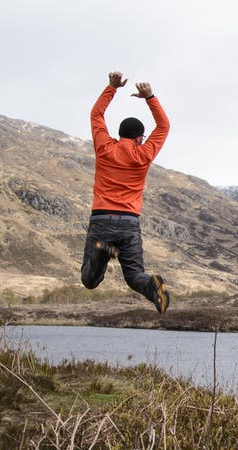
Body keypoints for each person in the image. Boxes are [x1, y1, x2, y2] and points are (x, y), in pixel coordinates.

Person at [80, 70, 171, 313]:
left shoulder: (105, 147)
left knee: (89, 280)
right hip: (129, 223)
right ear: (141, 138)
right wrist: (150, 97)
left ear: (119, 134)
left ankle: (101, 255)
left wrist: (111, 88)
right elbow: (164, 126)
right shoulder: (143, 154)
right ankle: (152, 286)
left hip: (101, 218)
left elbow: (96, 115)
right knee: (134, 276)